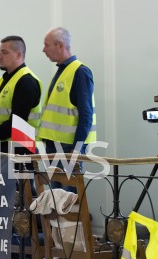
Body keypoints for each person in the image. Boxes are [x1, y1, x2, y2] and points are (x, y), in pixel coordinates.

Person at [38, 27, 96, 161]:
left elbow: (86, 114)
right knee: (55, 182)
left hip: (68, 147)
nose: (43, 50)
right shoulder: (63, 71)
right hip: (54, 144)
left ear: (60, 45)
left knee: (69, 183)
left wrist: (76, 150)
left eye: (47, 45)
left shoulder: (80, 72)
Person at [0, 36, 42, 153]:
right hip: (1, 147)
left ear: (18, 55)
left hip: (19, 150)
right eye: (0, 52)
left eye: (4, 53)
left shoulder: (26, 81)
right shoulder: (2, 80)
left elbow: (17, 121)